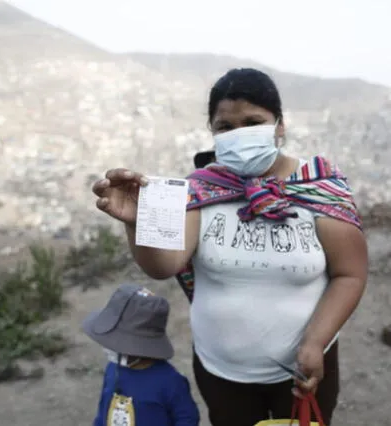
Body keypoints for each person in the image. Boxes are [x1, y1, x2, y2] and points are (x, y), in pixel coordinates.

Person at [92, 68, 368, 426]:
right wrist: (136, 223)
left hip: (305, 367)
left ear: (279, 126)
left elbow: (350, 274)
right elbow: (164, 265)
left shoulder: (316, 189)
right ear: (213, 133)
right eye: (225, 127)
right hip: (221, 373)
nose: (239, 135)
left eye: (253, 121)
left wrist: (315, 342)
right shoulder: (201, 190)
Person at [82, 284, 200, 426]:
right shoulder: (113, 369)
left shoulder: (170, 382)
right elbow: (103, 412)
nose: (108, 347)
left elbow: (187, 419)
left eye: (115, 339)